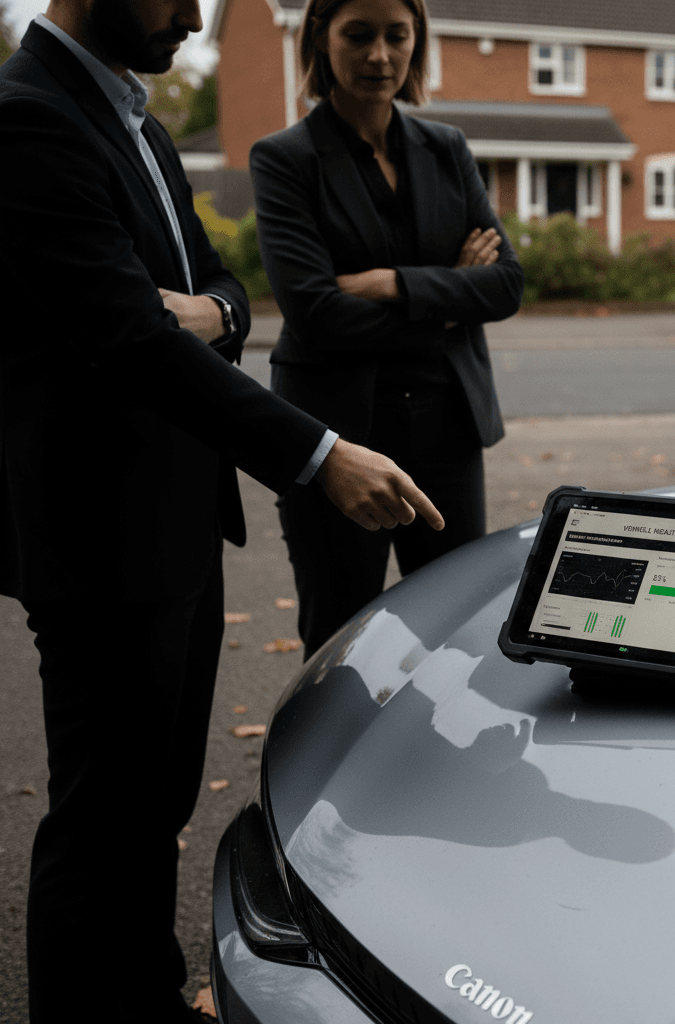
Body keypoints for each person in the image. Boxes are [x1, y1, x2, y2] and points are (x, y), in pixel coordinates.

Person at [0, 2, 443, 1022]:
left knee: (151, 809)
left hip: (178, 524)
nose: (196, 17)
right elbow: (126, 334)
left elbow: (223, 291)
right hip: (98, 534)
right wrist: (318, 453)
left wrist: (210, 309)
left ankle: (143, 992)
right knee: (100, 818)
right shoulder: (28, 119)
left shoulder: (140, 126)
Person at [250, 0, 524, 657]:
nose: (379, 55)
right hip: (335, 436)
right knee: (340, 638)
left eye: (396, 36)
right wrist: (449, 298)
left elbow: (506, 284)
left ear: (416, 42)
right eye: (359, 34)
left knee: (459, 629)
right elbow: (317, 314)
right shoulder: (284, 159)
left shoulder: (446, 147)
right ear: (322, 36)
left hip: (447, 429)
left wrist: (394, 283)